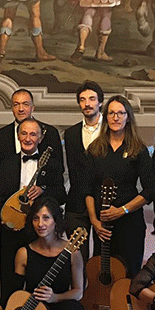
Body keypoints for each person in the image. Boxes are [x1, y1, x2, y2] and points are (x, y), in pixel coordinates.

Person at [85, 95, 155, 310]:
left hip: (128, 222)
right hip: (101, 223)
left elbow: (148, 190)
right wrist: (94, 220)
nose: (116, 117)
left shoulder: (138, 150)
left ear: (128, 117)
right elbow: (87, 188)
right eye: (111, 113)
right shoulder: (96, 149)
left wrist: (123, 209)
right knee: (104, 273)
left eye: (121, 113)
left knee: (128, 276)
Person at [0, 119, 66, 300]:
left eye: (33, 134)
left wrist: (43, 190)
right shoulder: (6, 163)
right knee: (9, 283)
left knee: (38, 282)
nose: (28, 138)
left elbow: (61, 194)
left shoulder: (53, 165)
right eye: (24, 133)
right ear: (18, 136)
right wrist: (3, 223)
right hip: (10, 233)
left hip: (40, 233)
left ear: (40, 138)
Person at [63, 80, 104, 262]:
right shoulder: (70, 134)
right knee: (77, 258)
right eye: (82, 99)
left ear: (100, 102)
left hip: (105, 203)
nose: (87, 103)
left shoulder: (112, 130)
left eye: (92, 99)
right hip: (76, 204)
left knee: (103, 258)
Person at [0, 88, 64, 172]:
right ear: (12, 108)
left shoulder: (50, 132)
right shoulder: (0, 135)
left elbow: (58, 168)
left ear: (32, 108)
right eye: (16, 104)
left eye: (25, 104)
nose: (21, 109)